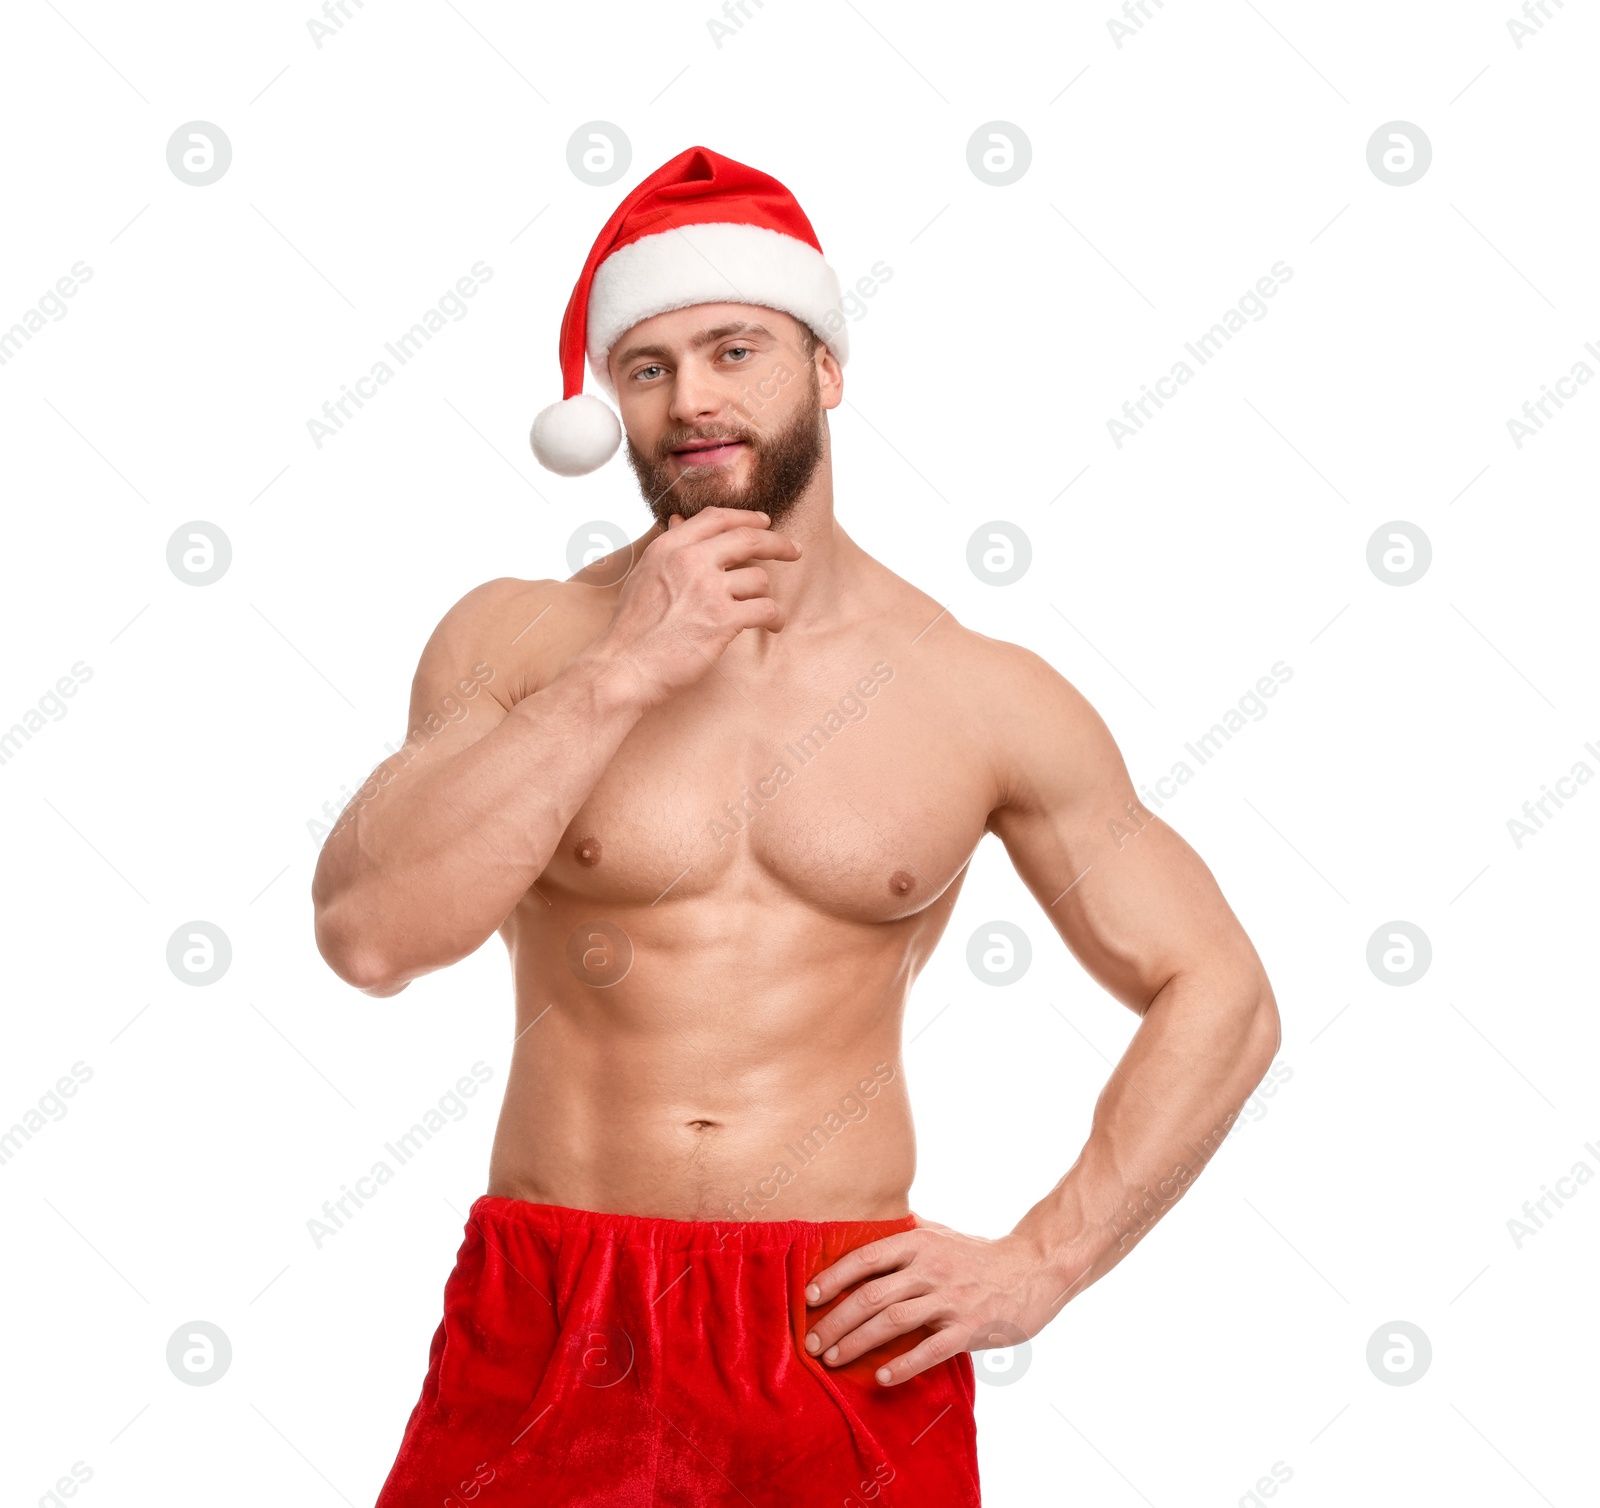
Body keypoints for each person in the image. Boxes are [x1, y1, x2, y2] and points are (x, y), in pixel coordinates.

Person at [311, 145, 1281, 1507]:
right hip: (555, 1310)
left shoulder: (976, 689)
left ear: (825, 368)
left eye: (733, 349)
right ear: (611, 409)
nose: (694, 397)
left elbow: (1221, 990)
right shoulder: (519, 640)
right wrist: (623, 674)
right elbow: (368, 935)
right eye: (646, 368)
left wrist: (1045, 1261)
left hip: (841, 1328)